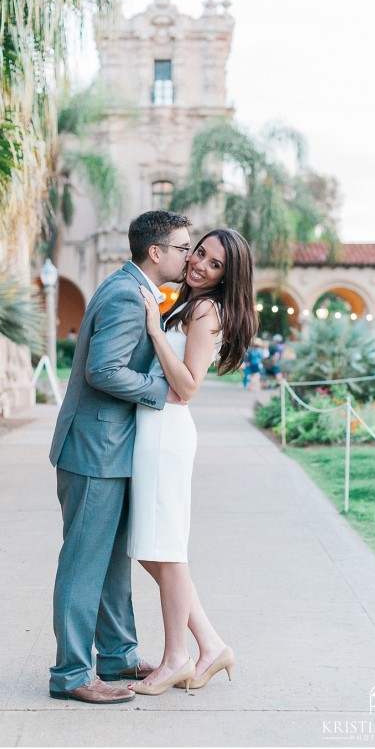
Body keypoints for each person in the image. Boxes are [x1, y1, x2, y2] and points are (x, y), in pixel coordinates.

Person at [48, 210, 193, 704]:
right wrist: (158, 390)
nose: (188, 257)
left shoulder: (136, 291)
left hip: (112, 449)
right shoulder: (127, 296)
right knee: (84, 563)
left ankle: (117, 656)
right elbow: (103, 370)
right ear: (157, 252)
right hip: (93, 450)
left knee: (112, 562)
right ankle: (70, 674)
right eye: (182, 248)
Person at [126, 228, 258, 696]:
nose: (200, 264)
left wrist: (153, 329)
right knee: (150, 547)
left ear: (228, 276)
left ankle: (176, 657)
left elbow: (187, 385)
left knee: (166, 549)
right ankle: (211, 644)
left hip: (167, 431)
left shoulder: (204, 309)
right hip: (154, 429)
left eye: (214, 263)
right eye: (199, 252)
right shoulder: (186, 301)